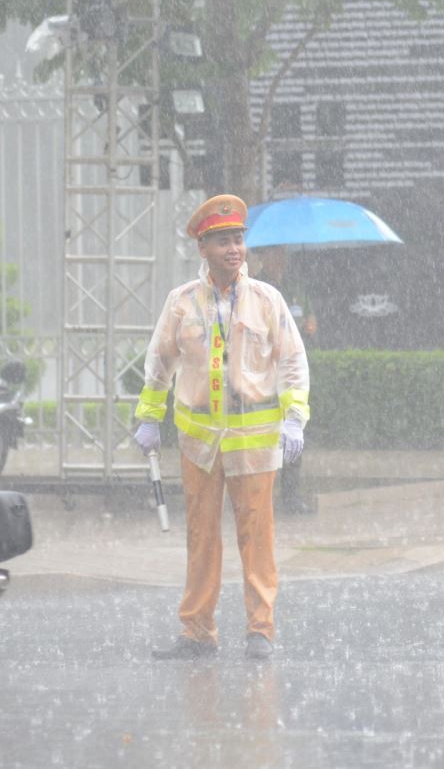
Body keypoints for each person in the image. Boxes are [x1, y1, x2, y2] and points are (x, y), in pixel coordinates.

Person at [134, 195, 310, 661]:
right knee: (202, 537)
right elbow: (159, 364)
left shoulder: (268, 301)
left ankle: (261, 630)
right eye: (223, 242)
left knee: (257, 538)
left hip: (254, 446)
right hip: (199, 445)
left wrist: (294, 418)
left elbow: (292, 362)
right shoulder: (181, 304)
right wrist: (149, 417)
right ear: (203, 249)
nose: (234, 249)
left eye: (238, 240)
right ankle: (196, 631)